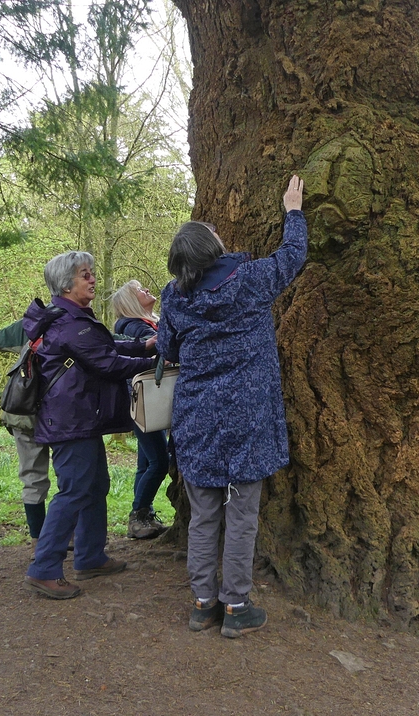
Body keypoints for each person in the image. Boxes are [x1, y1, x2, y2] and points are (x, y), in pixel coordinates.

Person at [157, 175, 307, 637]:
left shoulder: (174, 298)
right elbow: (293, 257)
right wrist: (294, 213)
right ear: (212, 247)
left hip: (198, 416)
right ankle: (236, 606)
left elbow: (166, 350)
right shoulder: (252, 281)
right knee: (241, 514)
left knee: (204, 514)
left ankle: (203, 604)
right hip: (249, 417)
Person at [23, 251, 157, 600]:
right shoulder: (70, 324)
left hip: (80, 419)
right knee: (73, 492)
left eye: (92, 273)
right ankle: (44, 569)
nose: (93, 279)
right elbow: (107, 363)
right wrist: (157, 361)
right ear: (67, 283)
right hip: (71, 422)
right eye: (85, 275)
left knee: (95, 486)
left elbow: (105, 345)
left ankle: (90, 557)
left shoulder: (75, 319)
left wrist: (143, 346)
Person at [0, 318, 51, 560]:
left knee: (33, 477)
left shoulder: (30, 324)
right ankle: (68, 535)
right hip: (64, 419)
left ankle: (38, 541)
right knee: (72, 480)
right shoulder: (80, 323)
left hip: (24, 414)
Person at [112, 280, 170, 540]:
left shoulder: (146, 323)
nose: (147, 291)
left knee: (146, 462)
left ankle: (142, 517)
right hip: (143, 401)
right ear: (131, 302)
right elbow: (159, 352)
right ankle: (138, 515)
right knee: (160, 461)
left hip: (143, 400)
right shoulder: (134, 327)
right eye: (140, 291)